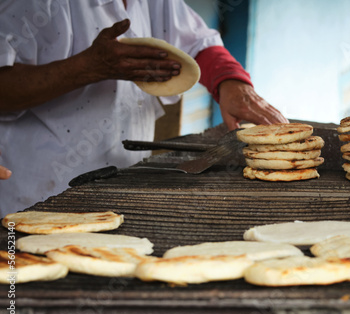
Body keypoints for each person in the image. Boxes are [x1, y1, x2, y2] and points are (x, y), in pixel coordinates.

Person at [0, 0, 288, 216]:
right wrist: (87, 68)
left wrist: (233, 84)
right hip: (38, 194)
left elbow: (198, 42)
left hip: (123, 183)